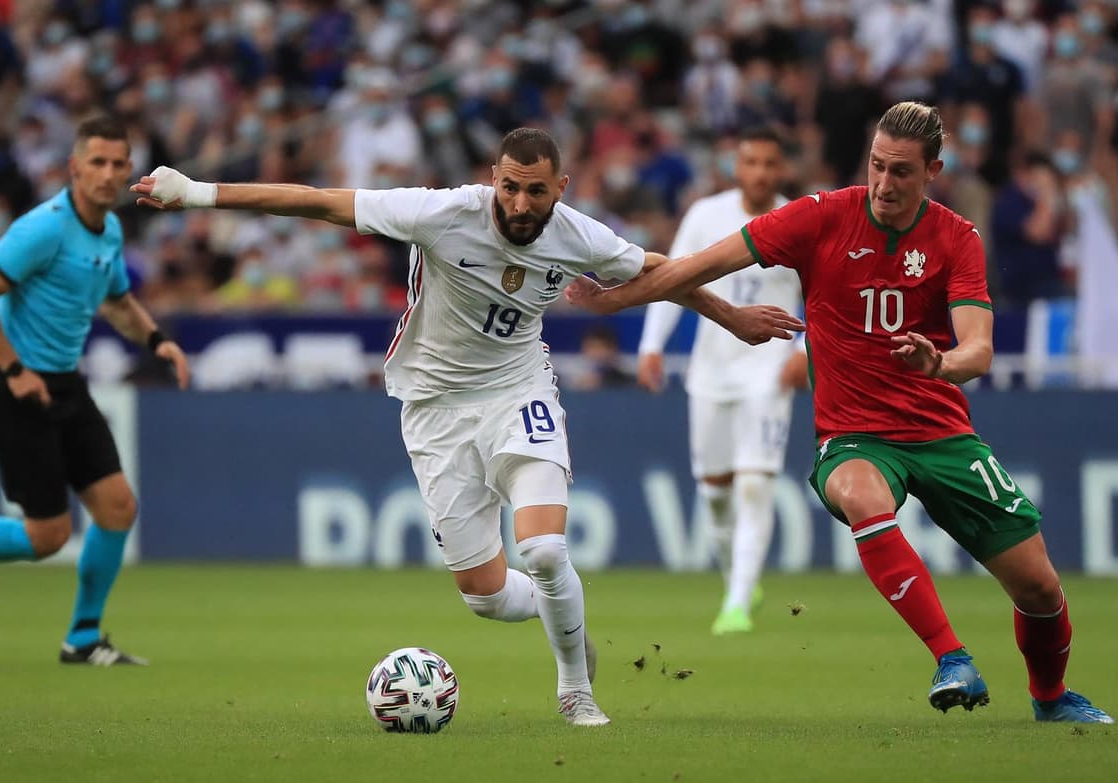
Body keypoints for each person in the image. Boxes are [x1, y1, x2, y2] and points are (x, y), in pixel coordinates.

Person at [131, 127, 802, 726]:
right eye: (508, 186)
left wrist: (733, 317)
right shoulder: (442, 213)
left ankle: (576, 687)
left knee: (542, 550)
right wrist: (197, 192)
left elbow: (664, 270)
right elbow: (317, 199)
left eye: (534, 192)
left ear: (559, 188)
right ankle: (560, 614)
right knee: (484, 595)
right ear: (493, 178)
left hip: (519, 390)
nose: (517, 203)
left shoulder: (578, 233)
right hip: (434, 407)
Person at [568, 103, 1113, 724]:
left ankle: (1050, 698)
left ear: (933, 170)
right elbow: (698, 266)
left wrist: (940, 365)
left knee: (1040, 588)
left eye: (902, 172)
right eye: (877, 166)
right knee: (859, 494)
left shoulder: (957, 237)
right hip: (854, 436)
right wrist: (616, 303)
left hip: (943, 433)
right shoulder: (822, 216)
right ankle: (951, 657)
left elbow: (980, 350)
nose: (884, 183)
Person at [0, 117, 191, 667]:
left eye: (117, 163)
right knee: (47, 535)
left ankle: (82, 639)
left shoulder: (109, 232)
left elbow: (118, 303)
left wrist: (157, 341)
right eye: (96, 162)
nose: (106, 174)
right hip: (14, 388)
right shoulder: (44, 228)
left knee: (118, 508)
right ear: (73, 168)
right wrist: (12, 371)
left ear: (129, 170)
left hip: (64, 384)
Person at [637, 127, 806, 635]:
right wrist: (651, 344)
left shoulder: (801, 222)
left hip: (769, 372)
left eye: (768, 164)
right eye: (750, 161)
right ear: (737, 166)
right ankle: (739, 577)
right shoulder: (706, 216)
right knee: (714, 492)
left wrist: (805, 351)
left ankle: (735, 604)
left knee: (755, 484)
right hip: (710, 372)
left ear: (781, 170)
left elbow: (827, 297)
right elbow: (671, 278)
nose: (759, 172)